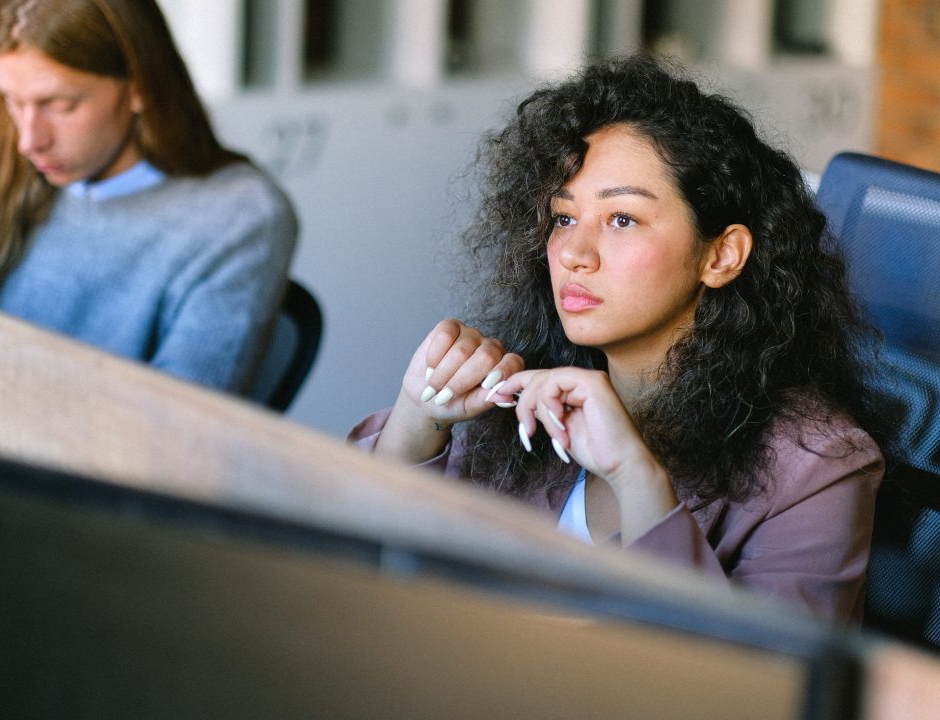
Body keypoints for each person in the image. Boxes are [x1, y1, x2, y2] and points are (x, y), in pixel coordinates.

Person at [350, 55, 885, 623]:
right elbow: (353, 587)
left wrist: (636, 476)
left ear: (721, 255)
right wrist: (416, 423)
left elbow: (766, 671)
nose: (574, 255)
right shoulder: (519, 395)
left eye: (622, 219)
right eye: (563, 218)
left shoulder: (817, 468)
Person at [0, 0, 298, 394]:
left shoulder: (237, 216)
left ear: (139, 87)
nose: (29, 141)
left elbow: (179, 418)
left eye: (61, 106)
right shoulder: (4, 166)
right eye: (12, 101)